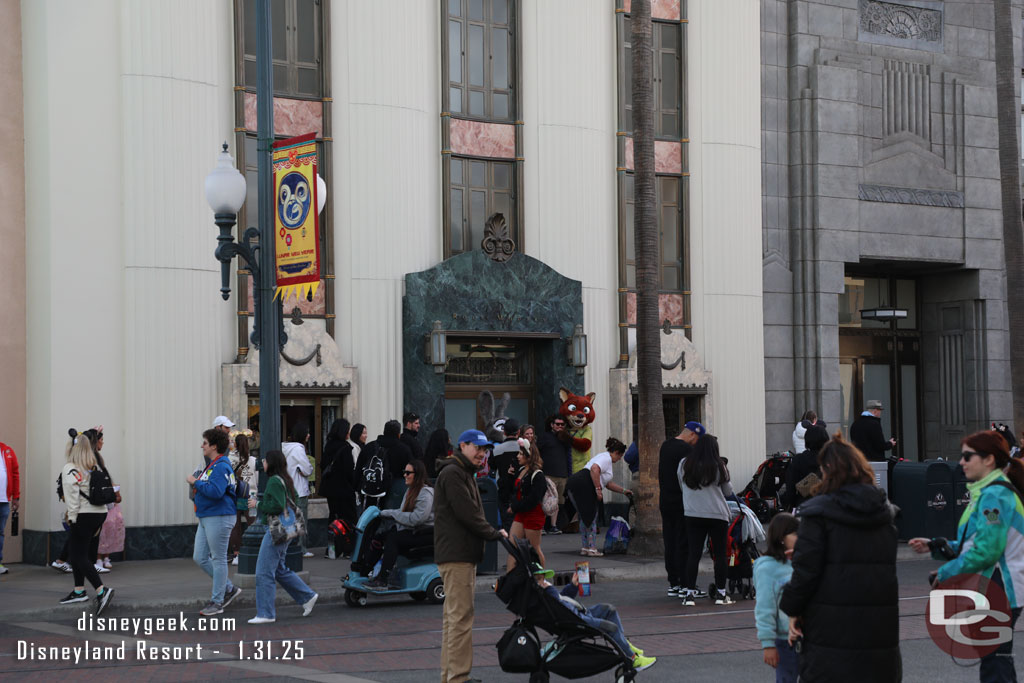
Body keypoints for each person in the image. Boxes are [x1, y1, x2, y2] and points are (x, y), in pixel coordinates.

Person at [780, 433, 900, 682]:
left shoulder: (818, 515)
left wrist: (792, 609)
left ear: (827, 470)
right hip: (879, 633)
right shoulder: (884, 515)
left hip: (830, 632)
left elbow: (805, 574)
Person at [909, 430, 1024, 681]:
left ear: (989, 460)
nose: (961, 463)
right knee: (997, 659)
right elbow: (974, 543)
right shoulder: (989, 493)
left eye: (967, 457)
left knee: (995, 663)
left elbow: (987, 550)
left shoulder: (994, 495)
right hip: (999, 585)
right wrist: (936, 546)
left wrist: (945, 572)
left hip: (1001, 585)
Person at [434, 429, 508, 683]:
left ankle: (450, 676)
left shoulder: (461, 472)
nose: (481, 453)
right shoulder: (454, 473)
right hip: (457, 554)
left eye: (485, 449)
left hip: (459, 553)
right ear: (462, 445)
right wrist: (493, 533)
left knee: (453, 619)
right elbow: (467, 512)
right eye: (477, 448)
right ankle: (458, 677)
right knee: (460, 619)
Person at [532, 562, 657, 671]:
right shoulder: (545, 593)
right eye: (538, 579)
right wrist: (549, 590)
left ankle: (626, 645)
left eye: (542, 578)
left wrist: (573, 586)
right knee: (611, 627)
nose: (543, 582)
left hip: (579, 613)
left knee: (609, 610)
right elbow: (561, 607)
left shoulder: (547, 592)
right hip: (577, 620)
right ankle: (633, 659)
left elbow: (563, 600)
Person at [246, 449, 318, 624]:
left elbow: (277, 506)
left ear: (271, 463)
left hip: (276, 530)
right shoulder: (283, 479)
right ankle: (307, 596)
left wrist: (258, 503)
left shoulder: (273, 482)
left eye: (265, 460)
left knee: (263, 571)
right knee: (279, 569)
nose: (262, 463)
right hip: (285, 530)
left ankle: (266, 613)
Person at [186, 428, 242, 617]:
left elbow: (216, 492)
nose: (202, 445)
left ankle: (217, 601)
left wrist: (195, 482)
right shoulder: (215, 465)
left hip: (218, 516)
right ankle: (228, 589)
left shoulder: (221, 466)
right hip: (207, 516)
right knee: (200, 557)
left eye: (205, 442)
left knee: (218, 559)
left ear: (214, 446)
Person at [59, 429, 115, 615]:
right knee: (81, 553)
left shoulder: (70, 468)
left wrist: (72, 517)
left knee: (76, 556)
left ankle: (101, 591)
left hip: (83, 514)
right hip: (99, 513)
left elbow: (72, 497)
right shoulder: (93, 466)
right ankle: (78, 591)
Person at [678, 433, 734, 606]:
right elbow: (728, 492)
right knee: (720, 555)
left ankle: (689, 595)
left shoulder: (684, 464)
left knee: (693, 554)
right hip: (717, 515)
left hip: (693, 514)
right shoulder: (719, 465)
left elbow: (681, 485)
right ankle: (721, 593)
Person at [364, 458, 435, 590]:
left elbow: (417, 518)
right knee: (381, 536)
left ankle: (383, 579)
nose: (404, 475)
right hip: (414, 531)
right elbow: (403, 513)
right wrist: (385, 513)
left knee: (393, 539)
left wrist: (392, 514)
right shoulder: (410, 491)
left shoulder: (426, 494)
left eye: (408, 473)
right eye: (404, 472)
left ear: (417, 475)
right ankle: (364, 572)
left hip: (426, 533)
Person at [659, 421, 703, 598]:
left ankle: (674, 583)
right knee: (684, 543)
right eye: (697, 439)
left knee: (669, 541)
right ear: (692, 434)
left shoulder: (665, 446)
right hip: (682, 502)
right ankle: (686, 584)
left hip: (665, 501)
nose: (696, 443)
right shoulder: (686, 450)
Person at [566, 438, 632, 557]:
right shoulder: (606, 458)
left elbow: (607, 483)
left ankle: (586, 547)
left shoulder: (602, 457)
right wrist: (598, 490)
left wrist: (623, 491)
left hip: (576, 483)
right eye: (620, 456)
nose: (619, 459)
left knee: (584, 517)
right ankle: (591, 548)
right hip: (585, 484)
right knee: (591, 517)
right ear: (616, 452)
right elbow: (594, 469)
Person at [754, 512, 800, 683]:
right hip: (783, 639)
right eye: (795, 534)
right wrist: (768, 644)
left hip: (807, 637)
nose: (800, 538)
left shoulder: (801, 561)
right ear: (781, 538)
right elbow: (764, 608)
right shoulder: (767, 568)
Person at [505, 438, 547, 571]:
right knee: (512, 547)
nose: (518, 456)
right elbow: (514, 490)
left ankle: (541, 578)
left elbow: (533, 499)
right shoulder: (521, 470)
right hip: (521, 514)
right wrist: (510, 477)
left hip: (533, 515)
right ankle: (509, 580)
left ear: (529, 456)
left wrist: (515, 507)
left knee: (534, 549)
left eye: (521, 454)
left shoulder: (538, 475)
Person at [89, 427, 124, 572]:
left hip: (103, 504)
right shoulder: (91, 458)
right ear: (95, 441)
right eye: (101, 440)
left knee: (107, 530)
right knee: (97, 533)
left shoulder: (98, 458)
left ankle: (102, 559)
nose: (103, 443)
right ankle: (95, 561)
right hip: (93, 503)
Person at [282, 422, 314, 557]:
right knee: (300, 520)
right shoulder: (299, 449)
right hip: (299, 490)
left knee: (288, 520)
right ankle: (301, 548)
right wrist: (309, 469)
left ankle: (288, 547)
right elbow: (307, 469)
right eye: (307, 432)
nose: (309, 435)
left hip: (287, 489)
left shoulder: (284, 447)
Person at [537, 415, 571, 534]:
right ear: (552, 425)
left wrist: (569, 474)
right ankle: (541, 526)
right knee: (546, 500)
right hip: (548, 474)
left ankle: (553, 526)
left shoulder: (565, 438)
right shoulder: (544, 437)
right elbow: (537, 453)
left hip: (562, 474)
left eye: (562, 424)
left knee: (557, 502)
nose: (560, 426)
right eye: (557, 424)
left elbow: (568, 456)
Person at [228, 432, 258, 566]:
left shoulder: (230, 459)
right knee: (254, 523)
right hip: (250, 495)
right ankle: (257, 550)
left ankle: (236, 553)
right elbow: (256, 479)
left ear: (235, 444)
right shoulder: (254, 461)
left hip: (236, 495)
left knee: (236, 525)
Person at [321, 418, 357, 528]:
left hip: (330, 490)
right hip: (344, 490)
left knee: (334, 516)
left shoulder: (328, 446)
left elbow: (323, 465)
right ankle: (345, 543)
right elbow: (349, 471)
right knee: (348, 520)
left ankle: (333, 542)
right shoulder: (345, 448)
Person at [782, 424, 828, 510]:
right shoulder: (832, 459)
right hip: (828, 506)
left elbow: (790, 490)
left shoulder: (798, 460)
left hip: (804, 507)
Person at [493, 418, 522, 531]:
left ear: (504, 432)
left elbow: (492, 466)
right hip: (521, 488)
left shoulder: (496, 449)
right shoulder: (524, 447)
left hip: (503, 488)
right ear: (518, 432)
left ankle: (511, 544)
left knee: (507, 522)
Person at [0, 439, 20, 575]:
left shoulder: (7, 450)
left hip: (3, 500)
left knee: (0, 533)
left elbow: (15, 474)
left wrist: (16, 497)